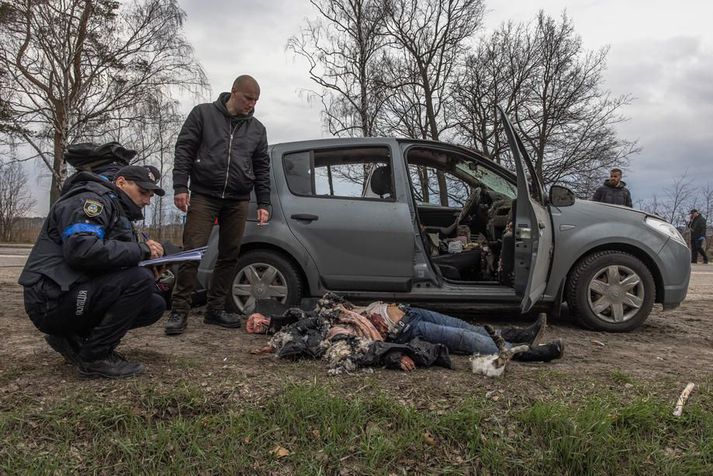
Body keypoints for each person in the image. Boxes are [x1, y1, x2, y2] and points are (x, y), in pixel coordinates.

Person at [19, 164, 167, 378]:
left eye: (150, 195)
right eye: (143, 192)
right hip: (49, 300)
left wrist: (147, 265)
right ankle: (94, 358)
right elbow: (82, 251)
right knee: (140, 281)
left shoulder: (115, 208)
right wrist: (140, 251)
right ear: (121, 182)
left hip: (69, 292)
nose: (147, 200)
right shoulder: (91, 201)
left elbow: (106, 260)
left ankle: (72, 338)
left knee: (153, 302)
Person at [166, 74, 271, 335]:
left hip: (238, 199)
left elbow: (261, 167)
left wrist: (264, 202)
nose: (252, 104)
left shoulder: (257, 129)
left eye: (256, 100)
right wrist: (180, 186)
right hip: (204, 195)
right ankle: (179, 310)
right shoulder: (203, 114)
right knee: (192, 251)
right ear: (234, 92)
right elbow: (185, 149)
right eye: (248, 98)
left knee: (230, 253)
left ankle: (215, 310)